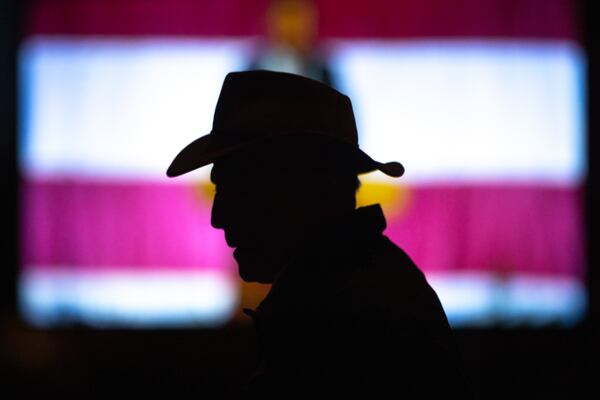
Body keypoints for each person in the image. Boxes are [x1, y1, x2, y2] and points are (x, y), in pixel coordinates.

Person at [167, 70, 470, 397]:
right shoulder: (363, 292)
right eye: (219, 192)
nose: (218, 217)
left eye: (239, 190)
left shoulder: (346, 320)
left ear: (314, 188)